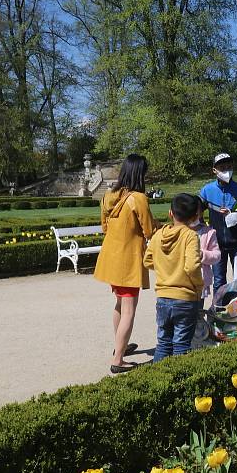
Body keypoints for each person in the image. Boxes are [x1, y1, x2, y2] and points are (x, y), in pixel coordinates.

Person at [93, 154, 157, 374]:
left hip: (111, 259)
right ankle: (118, 359)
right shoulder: (138, 198)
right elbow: (149, 230)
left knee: (120, 305)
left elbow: (105, 228)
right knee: (129, 309)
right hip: (128, 261)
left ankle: (120, 346)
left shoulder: (108, 195)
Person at [143, 193, 204, 362]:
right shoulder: (190, 235)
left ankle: (158, 383)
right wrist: (199, 287)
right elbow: (192, 267)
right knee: (181, 345)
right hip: (185, 298)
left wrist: (165, 266)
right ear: (195, 217)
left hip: (163, 297)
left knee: (163, 344)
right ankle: (179, 384)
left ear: (171, 213)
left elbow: (147, 260)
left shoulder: (158, 235)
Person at [200, 153, 237, 292]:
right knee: (219, 281)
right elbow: (197, 211)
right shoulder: (207, 190)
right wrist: (203, 229)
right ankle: (219, 310)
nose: (226, 171)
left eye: (229, 167)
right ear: (214, 170)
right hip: (216, 244)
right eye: (222, 168)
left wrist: (235, 214)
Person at [192, 196, 221, 308]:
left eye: (197, 211)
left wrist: (203, 255)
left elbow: (216, 255)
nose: (194, 214)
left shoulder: (208, 232)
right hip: (181, 282)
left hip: (200, 280)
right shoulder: (179, 231)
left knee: (198, 312)